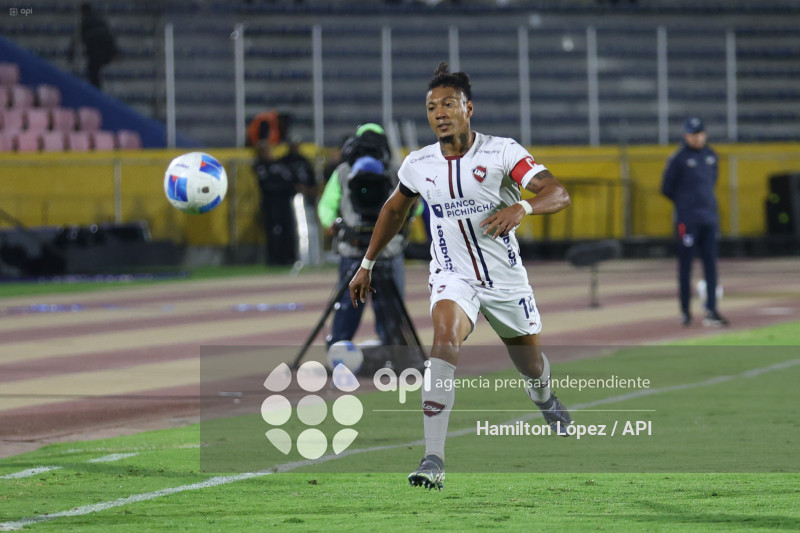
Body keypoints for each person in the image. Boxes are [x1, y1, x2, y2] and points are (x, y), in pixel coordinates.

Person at [349, 63, 574, 491]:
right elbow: (395, 209)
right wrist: (367, 264)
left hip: (506, 281)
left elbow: (557, 193)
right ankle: (433, 457)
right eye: (432, 107)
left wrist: (521, 208)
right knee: (444, 341)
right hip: (453, 276)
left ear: (468, 108)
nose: (439, 113)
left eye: (448, 104)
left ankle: (544, 397)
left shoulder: (502, 153)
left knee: (531, 367)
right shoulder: (419, 164)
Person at [318, 123, 407, 347]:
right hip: (370, 248)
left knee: (385, 306)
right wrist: (334, 224)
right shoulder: (347, 173)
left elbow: (326, 206)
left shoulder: (395, 172)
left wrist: (333, 223)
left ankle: (386, 349)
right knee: (358, 303)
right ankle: (390, 352)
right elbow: (415, 207)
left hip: (375, 249)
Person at [661, 117, 729, 327]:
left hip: (709, 219)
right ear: (686, 136)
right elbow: (666, 188)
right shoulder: (678, 158)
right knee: (686, 267)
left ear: (704, 134)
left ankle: (712, 310)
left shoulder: (711, 156)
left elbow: (712, 182)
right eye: (692, 134)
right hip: (687, 221)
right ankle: (685, 311)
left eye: (699, 133)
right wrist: (685, 204)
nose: (697, 137)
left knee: (711, 266)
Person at [253, 139, 316, 265]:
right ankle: (274, 259)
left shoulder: (279, 164)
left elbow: (289, 180)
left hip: (284, 203)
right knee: (274, 231)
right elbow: (267, 185)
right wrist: (289, 187)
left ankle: (289, 257)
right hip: (271, 203)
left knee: (288, 229)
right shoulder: (261, 165)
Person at [76, 3, 118, 89]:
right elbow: (109, 36)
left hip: (94, 53)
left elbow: (82, 39)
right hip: (105, 52)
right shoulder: (100, 20)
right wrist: (114, 51)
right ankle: (97, 90)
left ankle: (95, 90)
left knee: (93, 72)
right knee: (95, 72)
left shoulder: (85, 22)